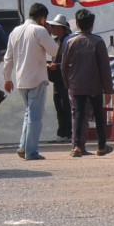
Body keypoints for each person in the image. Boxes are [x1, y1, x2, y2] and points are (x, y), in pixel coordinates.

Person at [3, 3, 59, 161]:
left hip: (21, 80)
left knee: (28, 114)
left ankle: (23, 146)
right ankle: (31, 151)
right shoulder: (39, 30)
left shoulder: (16, 31)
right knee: (35, 117)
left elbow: (8, 58)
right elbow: (54, 51)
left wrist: (7, 78)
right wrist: (48, 32)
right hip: (37, 79)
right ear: (42, 18)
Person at [61, 9, 114, 157]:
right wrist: (108, 89)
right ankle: (102, 146)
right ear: (92, 25)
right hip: (95, 86)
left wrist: (68, 85)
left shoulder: (70, 42)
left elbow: (64, 67)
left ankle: (77, 146)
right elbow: (104, 68)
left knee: (78, 114)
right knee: (99, 115)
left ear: (77, 24)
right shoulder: (97, 41)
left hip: (76, 85)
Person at [46, 14, 73, 143]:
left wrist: (55, 65)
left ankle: (67, 133)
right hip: (57, 78)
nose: (52, 29)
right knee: (59, 105)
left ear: (61, 28)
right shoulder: (56, 41)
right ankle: (62, 133)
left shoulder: (67, 41)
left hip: (64, 78)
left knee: (65, 105)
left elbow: (68, 60)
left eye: (54, 27)